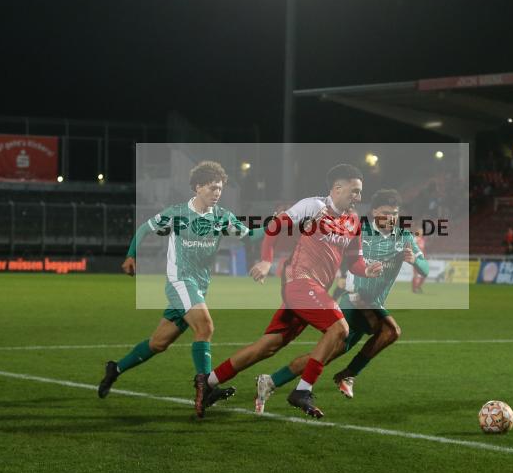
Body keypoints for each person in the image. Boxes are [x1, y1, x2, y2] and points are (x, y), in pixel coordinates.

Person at [205, 164, 382, 419]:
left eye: (360, 192)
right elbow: (275, 227)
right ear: (338, 188)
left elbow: (354, 260)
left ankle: (209, 382)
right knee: (340, 329)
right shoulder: (313, 206)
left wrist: (369, 270)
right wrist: (266, 260)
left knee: (267, 346)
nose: (358, 197)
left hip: (315, 290)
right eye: (354, 191)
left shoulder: (353, 221)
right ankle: (302, 390)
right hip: (299, 282)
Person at [97, 161, 261, 417]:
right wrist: (131, 255)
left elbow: (251, 235)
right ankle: (205, 386)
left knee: (158, 343)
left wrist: (282, 224)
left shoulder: (222, 217)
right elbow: (144, 228)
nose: (217, 193)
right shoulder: (177, 213)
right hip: (180, 282)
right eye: (212, 188)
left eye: (220, 188)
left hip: (199, 286)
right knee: (205, 326)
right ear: (197, 187)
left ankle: (114, 369)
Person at [254, 189, 428, 412]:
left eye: (395, 213)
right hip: (353, 300)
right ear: (374, 212)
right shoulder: (359, 230)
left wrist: (414, 261)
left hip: (372, 303)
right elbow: (333, 250)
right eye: (386, 213)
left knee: (323, 356)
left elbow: (425, 269)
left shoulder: (404, 238)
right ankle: (346, 376)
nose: (391, 218)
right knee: (390, 331)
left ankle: (270, 381)